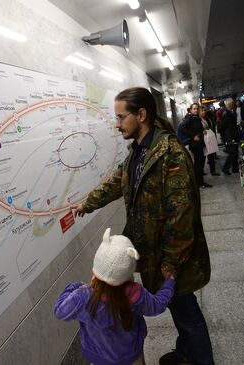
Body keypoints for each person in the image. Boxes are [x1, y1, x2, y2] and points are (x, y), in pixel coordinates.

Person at [72, 87, 214, 365]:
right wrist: (87, 203)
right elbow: (118, 182)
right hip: (157, 254)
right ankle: (186, 352)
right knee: (180, 309)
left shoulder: (170, 153)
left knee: (187, 312)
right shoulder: (139, 151)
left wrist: (171, 263)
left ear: (142, 114)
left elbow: (182, 214)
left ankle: (201, 360)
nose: (117, 123)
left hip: (174, 257)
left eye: (121, 117)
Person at [54, 228, 175, 365]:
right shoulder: (136, 293)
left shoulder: (83, 296)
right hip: (131, 355)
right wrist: (169, 282)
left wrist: (75, 286)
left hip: (98, 357)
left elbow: (60, 311)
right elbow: (158, 305)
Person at [181, 103, 212, 188]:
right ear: (191, 110)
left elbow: (197, 129)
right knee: (199, 164)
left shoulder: (197, 118)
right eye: (194, 109)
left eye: (197, 108)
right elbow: (182, 128)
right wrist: (192, 136)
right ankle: (200, 183)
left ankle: (198, 182)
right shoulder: (189, 118)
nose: (196, 110)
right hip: (195, 145)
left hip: (199, 143)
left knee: (199, 164)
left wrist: (202, 132)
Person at [220, 98, 240, 175]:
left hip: (233, 135)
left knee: (235, 153)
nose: (233, 104)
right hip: (229, 137)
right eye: (231, 103)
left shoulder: (231, 112)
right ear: (228, 104)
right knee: (232, 153)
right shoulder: (226, 114)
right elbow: (222, 127)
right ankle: (225, 168)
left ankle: (235, 168)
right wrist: (224, 137)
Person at [199, 105, 220, 176]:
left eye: (204, 110)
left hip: (209, 138)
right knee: (203, 157)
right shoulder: (198, 120)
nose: (204, 112)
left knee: (211, 155)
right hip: (203, 140)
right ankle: (201, 171)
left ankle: (213, 171)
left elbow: (210, 125)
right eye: (202, 111)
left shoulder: (206, 118)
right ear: (199, 112)